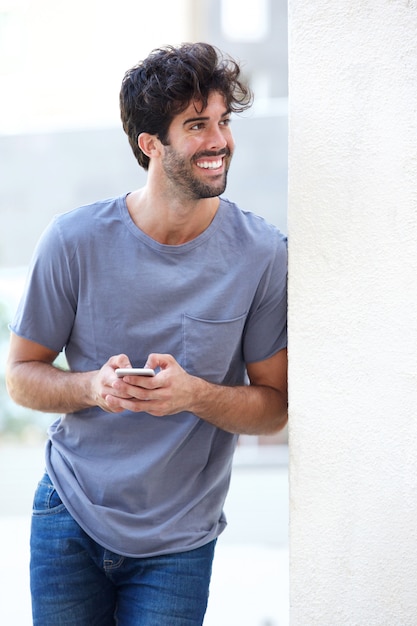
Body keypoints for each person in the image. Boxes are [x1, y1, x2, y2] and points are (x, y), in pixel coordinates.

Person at [6, 42, 288, 625]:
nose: (219, 142)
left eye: (223, 122)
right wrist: (91, 389)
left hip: (179, 542)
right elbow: (21, 378)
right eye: (196, 125)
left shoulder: (262, 255)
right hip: (69, 518)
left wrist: (195, 396)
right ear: (151, 145)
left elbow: (274, 409)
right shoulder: (73, 241)